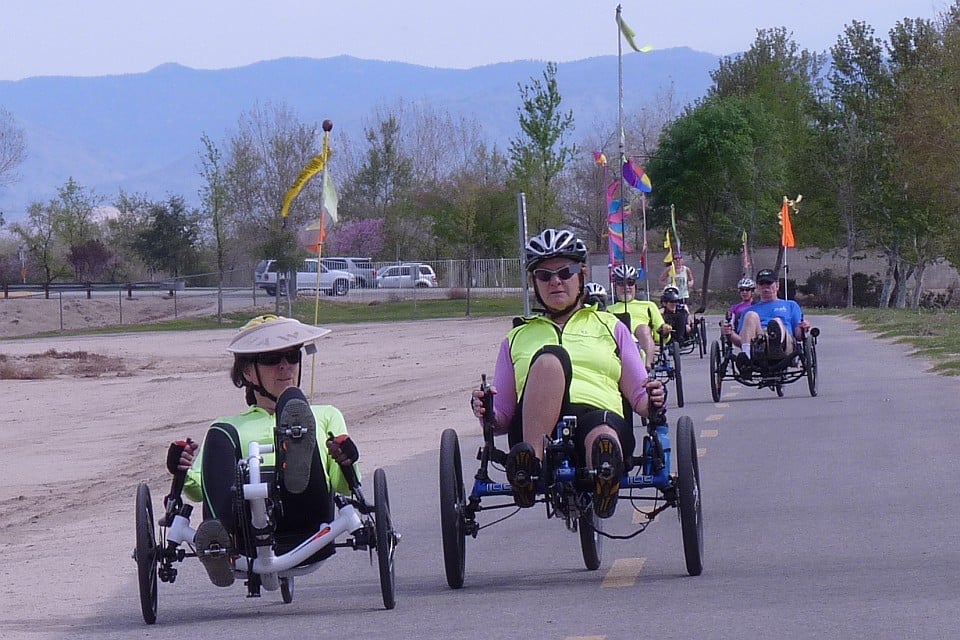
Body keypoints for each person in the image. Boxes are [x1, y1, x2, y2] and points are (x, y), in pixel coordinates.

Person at [469, 228, 666, 520]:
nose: (556, 281)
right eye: (544, 275)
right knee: (550, 360)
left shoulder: (611, 327)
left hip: (600, 415)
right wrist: (485, 409)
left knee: (602, 436)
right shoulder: (517, 337)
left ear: (581, 276)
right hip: (536, 431)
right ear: (534, 283)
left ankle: (604, 475)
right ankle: (528, 469)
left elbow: (639, 395)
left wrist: (653, 399)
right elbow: (502, 417)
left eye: (565, 272)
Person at [169, 314, 360, 587]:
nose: (285, 367)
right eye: (271, 360)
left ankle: (294, 446)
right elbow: (199, 489)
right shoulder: (227, 427)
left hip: (306, 517)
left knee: (301, 422)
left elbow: (344, 487)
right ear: (248, 372)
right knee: (220, 435)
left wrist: (347, 460)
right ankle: (217, 545)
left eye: (292, 356)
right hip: (239, 525)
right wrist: (181, 467)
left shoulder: (326, 415)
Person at [721, 269, 812, 372]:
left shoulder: (790, 305)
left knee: (776, 321)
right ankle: (747, 359)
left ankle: (774, 346)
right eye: (762, 284)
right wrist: (730, 333)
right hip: (759, 342)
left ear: (777, 286)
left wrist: (804, 328)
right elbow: (741, 341)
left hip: (784, 342)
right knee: (751, 315)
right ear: (757, 288)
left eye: (769, 283)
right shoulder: (748, 311)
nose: (765, 287)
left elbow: (799, 335)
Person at [606, 264, 670, 370]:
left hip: (641, 338)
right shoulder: (608, 309)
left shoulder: (648, 305)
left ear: (635, 286)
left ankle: (646, 368)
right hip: (617, 342)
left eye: (630, 283)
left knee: (643, 329)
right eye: (621, 284)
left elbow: (660, 335)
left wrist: (665, 331)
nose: (626, 287)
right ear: (615, 287)